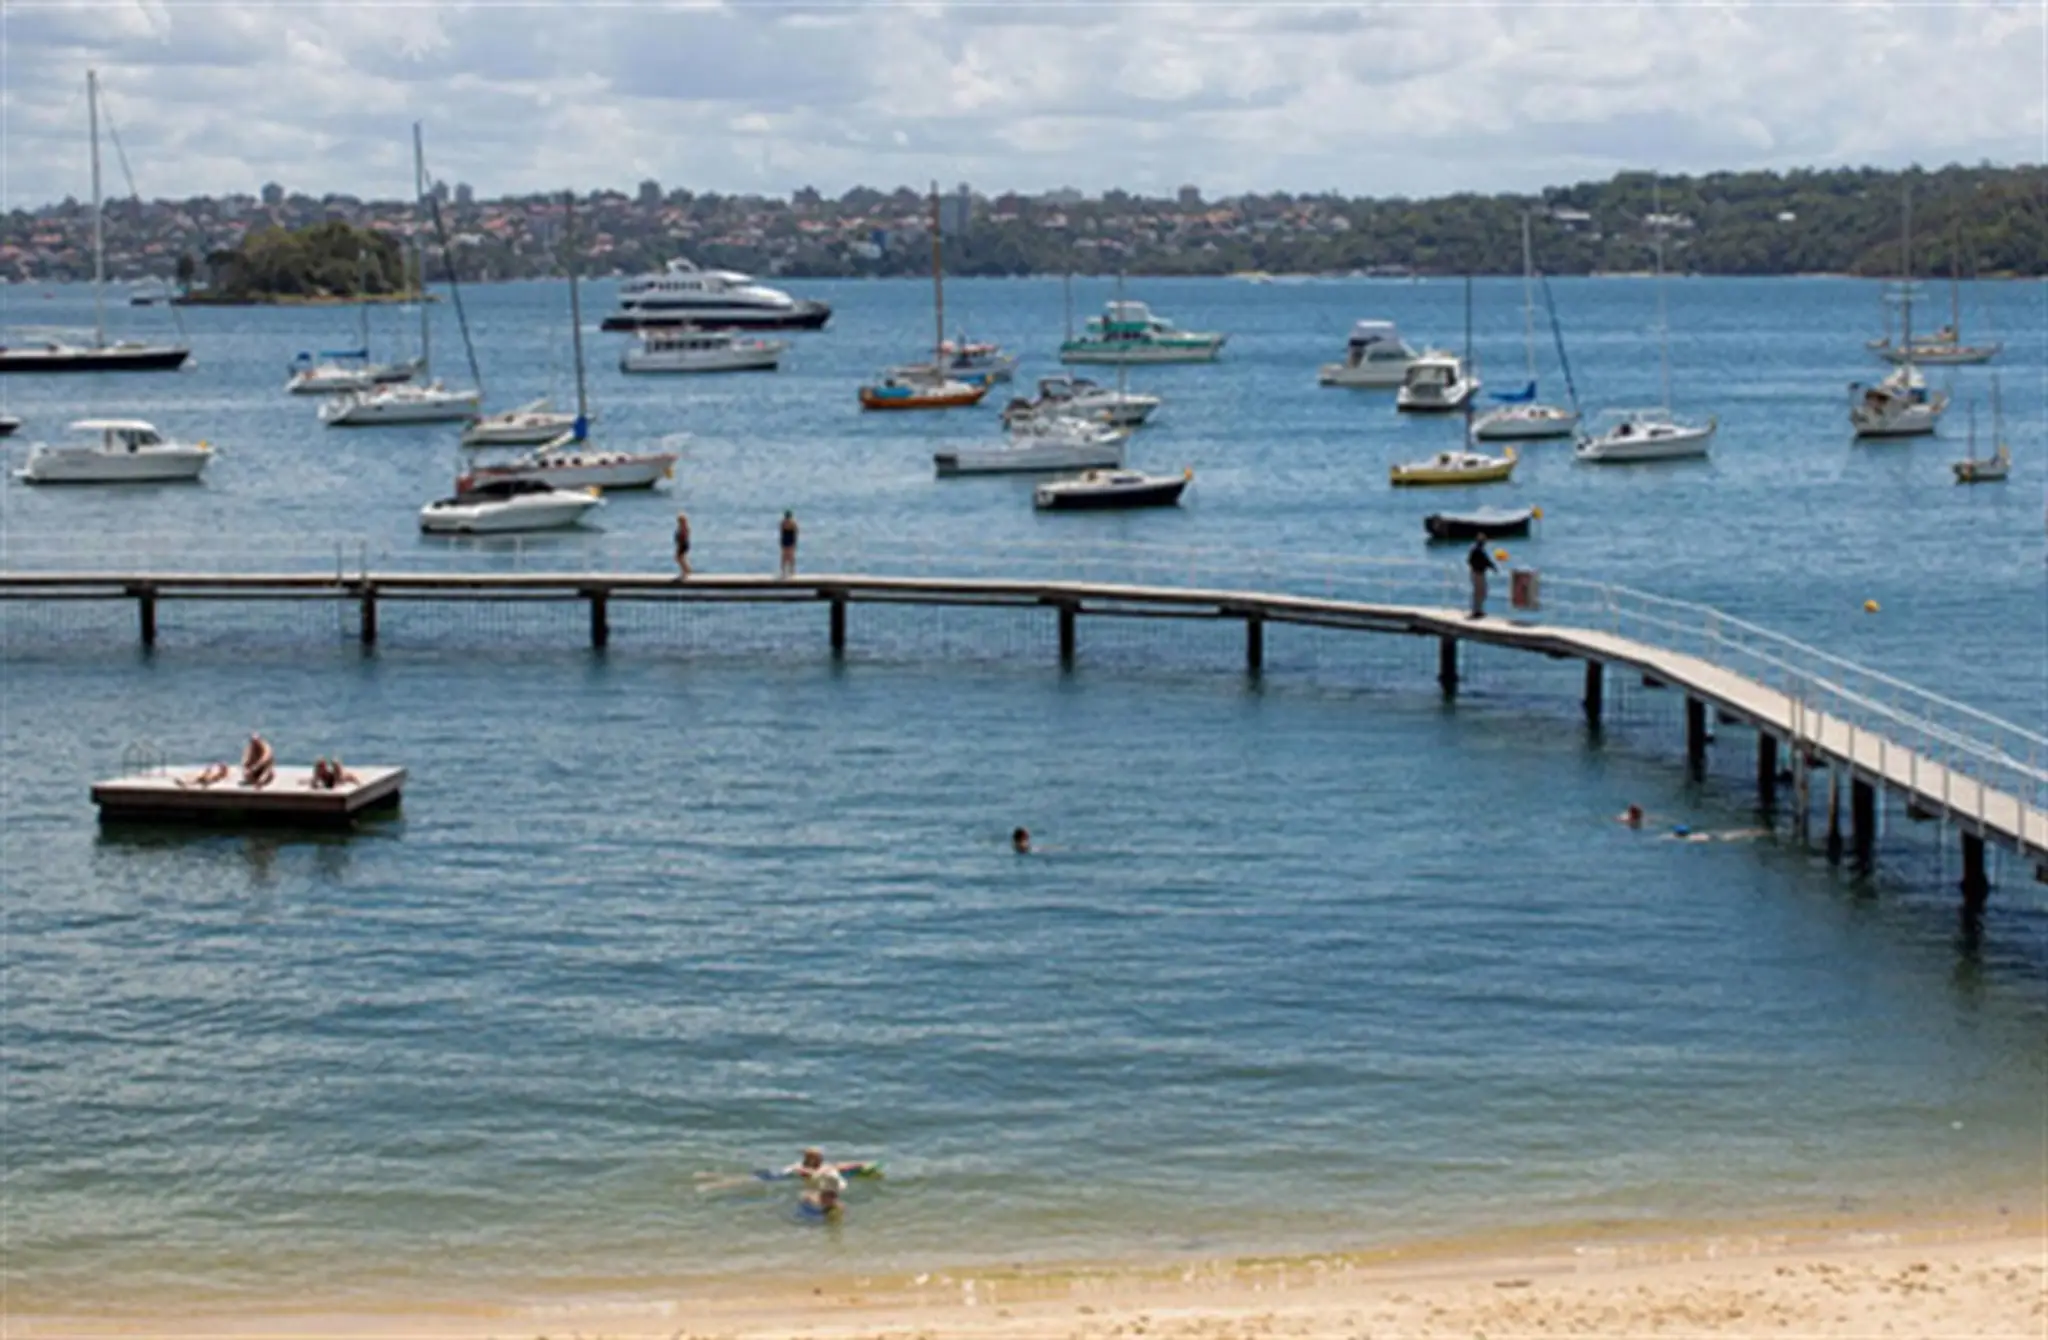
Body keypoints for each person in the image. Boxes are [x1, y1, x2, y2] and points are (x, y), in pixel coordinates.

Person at [1466, 534, 1497, 620]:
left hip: (1478, 573)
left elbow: (1485, 561)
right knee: (1479, 592)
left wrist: (1491, 567)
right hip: (1478, 573)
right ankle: (1476, 611)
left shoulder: (1478, 550)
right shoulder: (1478, 551)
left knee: (1481, 592)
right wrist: (1492, 567)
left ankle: (1478, 610)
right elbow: (1486, 561)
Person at [778, 510, 799, 578]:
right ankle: (791, 571)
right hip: (790, 540)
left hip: (785, 540)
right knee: (790, 556)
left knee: (785, 556)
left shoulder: (783, 523)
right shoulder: (793, 523)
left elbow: (781, 531)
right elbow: (796, 531)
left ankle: (784, 571)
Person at [673, 511, 692, 579]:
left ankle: (686, 571)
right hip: (682, 544)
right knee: (680, 558)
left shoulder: (684, 528)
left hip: (683, 544)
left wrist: (680, 545)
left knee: (679, 558)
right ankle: (686, 570)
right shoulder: (682, 527)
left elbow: (683, 537)